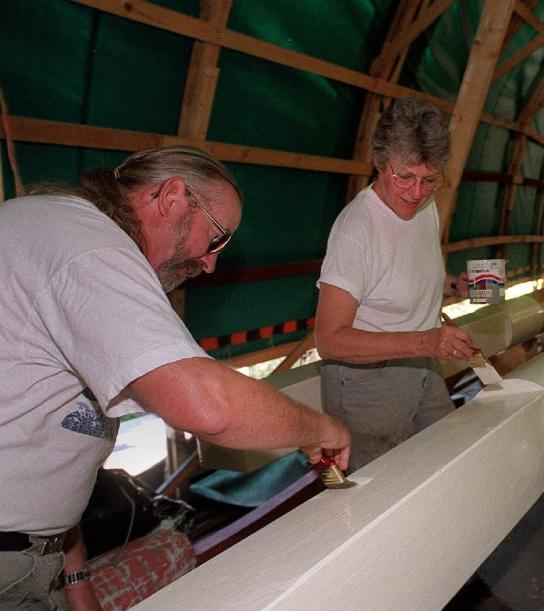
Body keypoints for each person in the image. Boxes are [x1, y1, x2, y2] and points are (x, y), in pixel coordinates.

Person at [0, 146, 351, 610]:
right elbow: (208, 406)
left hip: (32, 559)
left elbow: (55, 452)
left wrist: (78, 582)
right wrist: (322, 429)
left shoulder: (76, 252)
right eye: (217, 238)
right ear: (171, 198)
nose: (210, 264)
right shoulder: (87, 242)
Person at [314, 96, 477, 471]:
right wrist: (427, 341)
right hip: (368, 385)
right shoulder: (357, 230)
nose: (416, 192)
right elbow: (329, 339)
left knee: (445, 457)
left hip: (419, 363)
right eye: (404, 177)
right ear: (379, 162)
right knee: (380, 488)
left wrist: (453, 286)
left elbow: (406, 276)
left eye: (429, 180)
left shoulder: (424, 206)